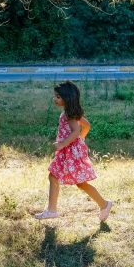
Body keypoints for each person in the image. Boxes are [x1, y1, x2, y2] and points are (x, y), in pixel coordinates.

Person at [34, 80, 113, 221]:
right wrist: (80, 141)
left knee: (76, 181)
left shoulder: (68, 114)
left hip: (69, 151)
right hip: (70, 151)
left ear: (67, 97)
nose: (55, 99)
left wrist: (63, 143)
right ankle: (52, 210)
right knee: (56, 177)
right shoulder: (71, 112)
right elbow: (86, 126)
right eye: (55, 96)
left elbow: (76, 130)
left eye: (58, 97)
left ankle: (104, 204)